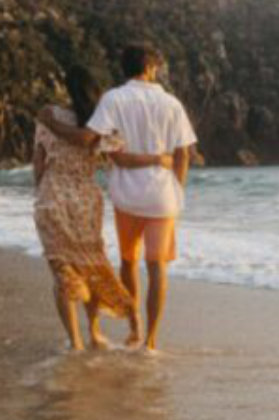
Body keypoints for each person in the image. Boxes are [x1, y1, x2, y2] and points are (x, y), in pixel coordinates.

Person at [32, 66, 174, 352]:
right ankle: (95, 331)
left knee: (62, 269)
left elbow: (38, 161)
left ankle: (76, 342)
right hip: (86, 198)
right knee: (90, 264)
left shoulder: (48, 115)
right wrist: (158, 159)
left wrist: (41, 192)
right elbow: (122, 159)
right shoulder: (102, 122)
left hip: (52, 196)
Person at [83, 44, 197, 352]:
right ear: (149, 68)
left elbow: (100, 142)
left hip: (126, 196)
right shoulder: (171, 103)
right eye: (156, 66)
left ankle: (134, 327)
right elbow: (183, 154)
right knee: (157, 266)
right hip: (162, 197)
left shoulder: (113, 98)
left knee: (128, 261)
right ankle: (152, 340)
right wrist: (177, 188)